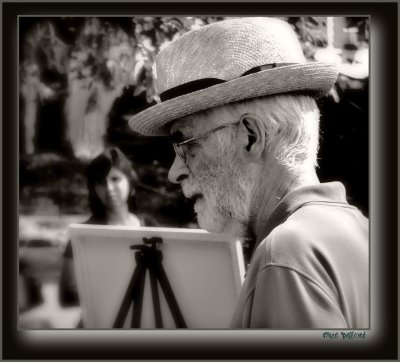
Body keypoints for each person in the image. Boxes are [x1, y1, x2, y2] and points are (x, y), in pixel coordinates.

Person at [128, 17, 369, 328]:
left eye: (184, 143)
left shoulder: (285, 253)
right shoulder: (361, 229)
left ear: (250, 137)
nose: (175, 172)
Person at [59, 146, 142, 307]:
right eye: (101, 182)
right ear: (94, 189)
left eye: (115, 179)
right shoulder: (82, 236)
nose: (109, 188)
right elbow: (67, 293)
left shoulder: (150, 227)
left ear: (131, 183)